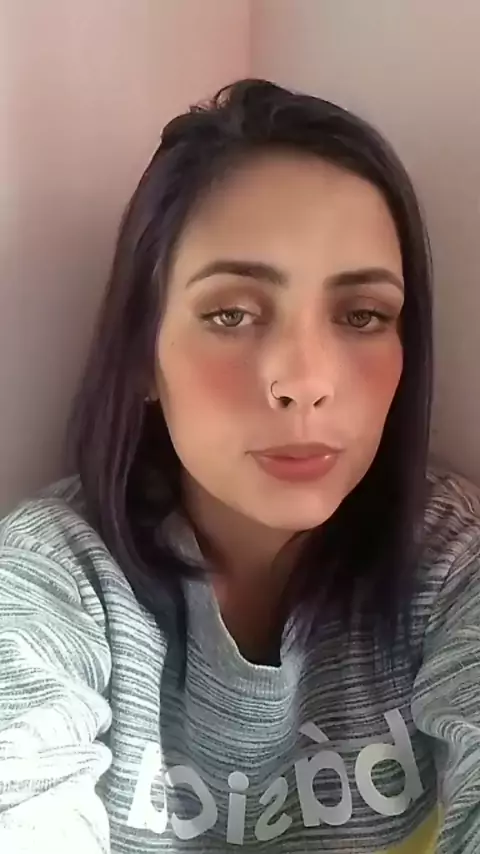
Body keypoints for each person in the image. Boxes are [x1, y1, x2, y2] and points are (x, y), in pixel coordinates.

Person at [1, 78, 479, 854]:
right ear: (142, 354)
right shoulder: (51, 584)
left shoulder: (453, 565)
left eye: (362, 315)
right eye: (232, 313)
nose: (305, 381)